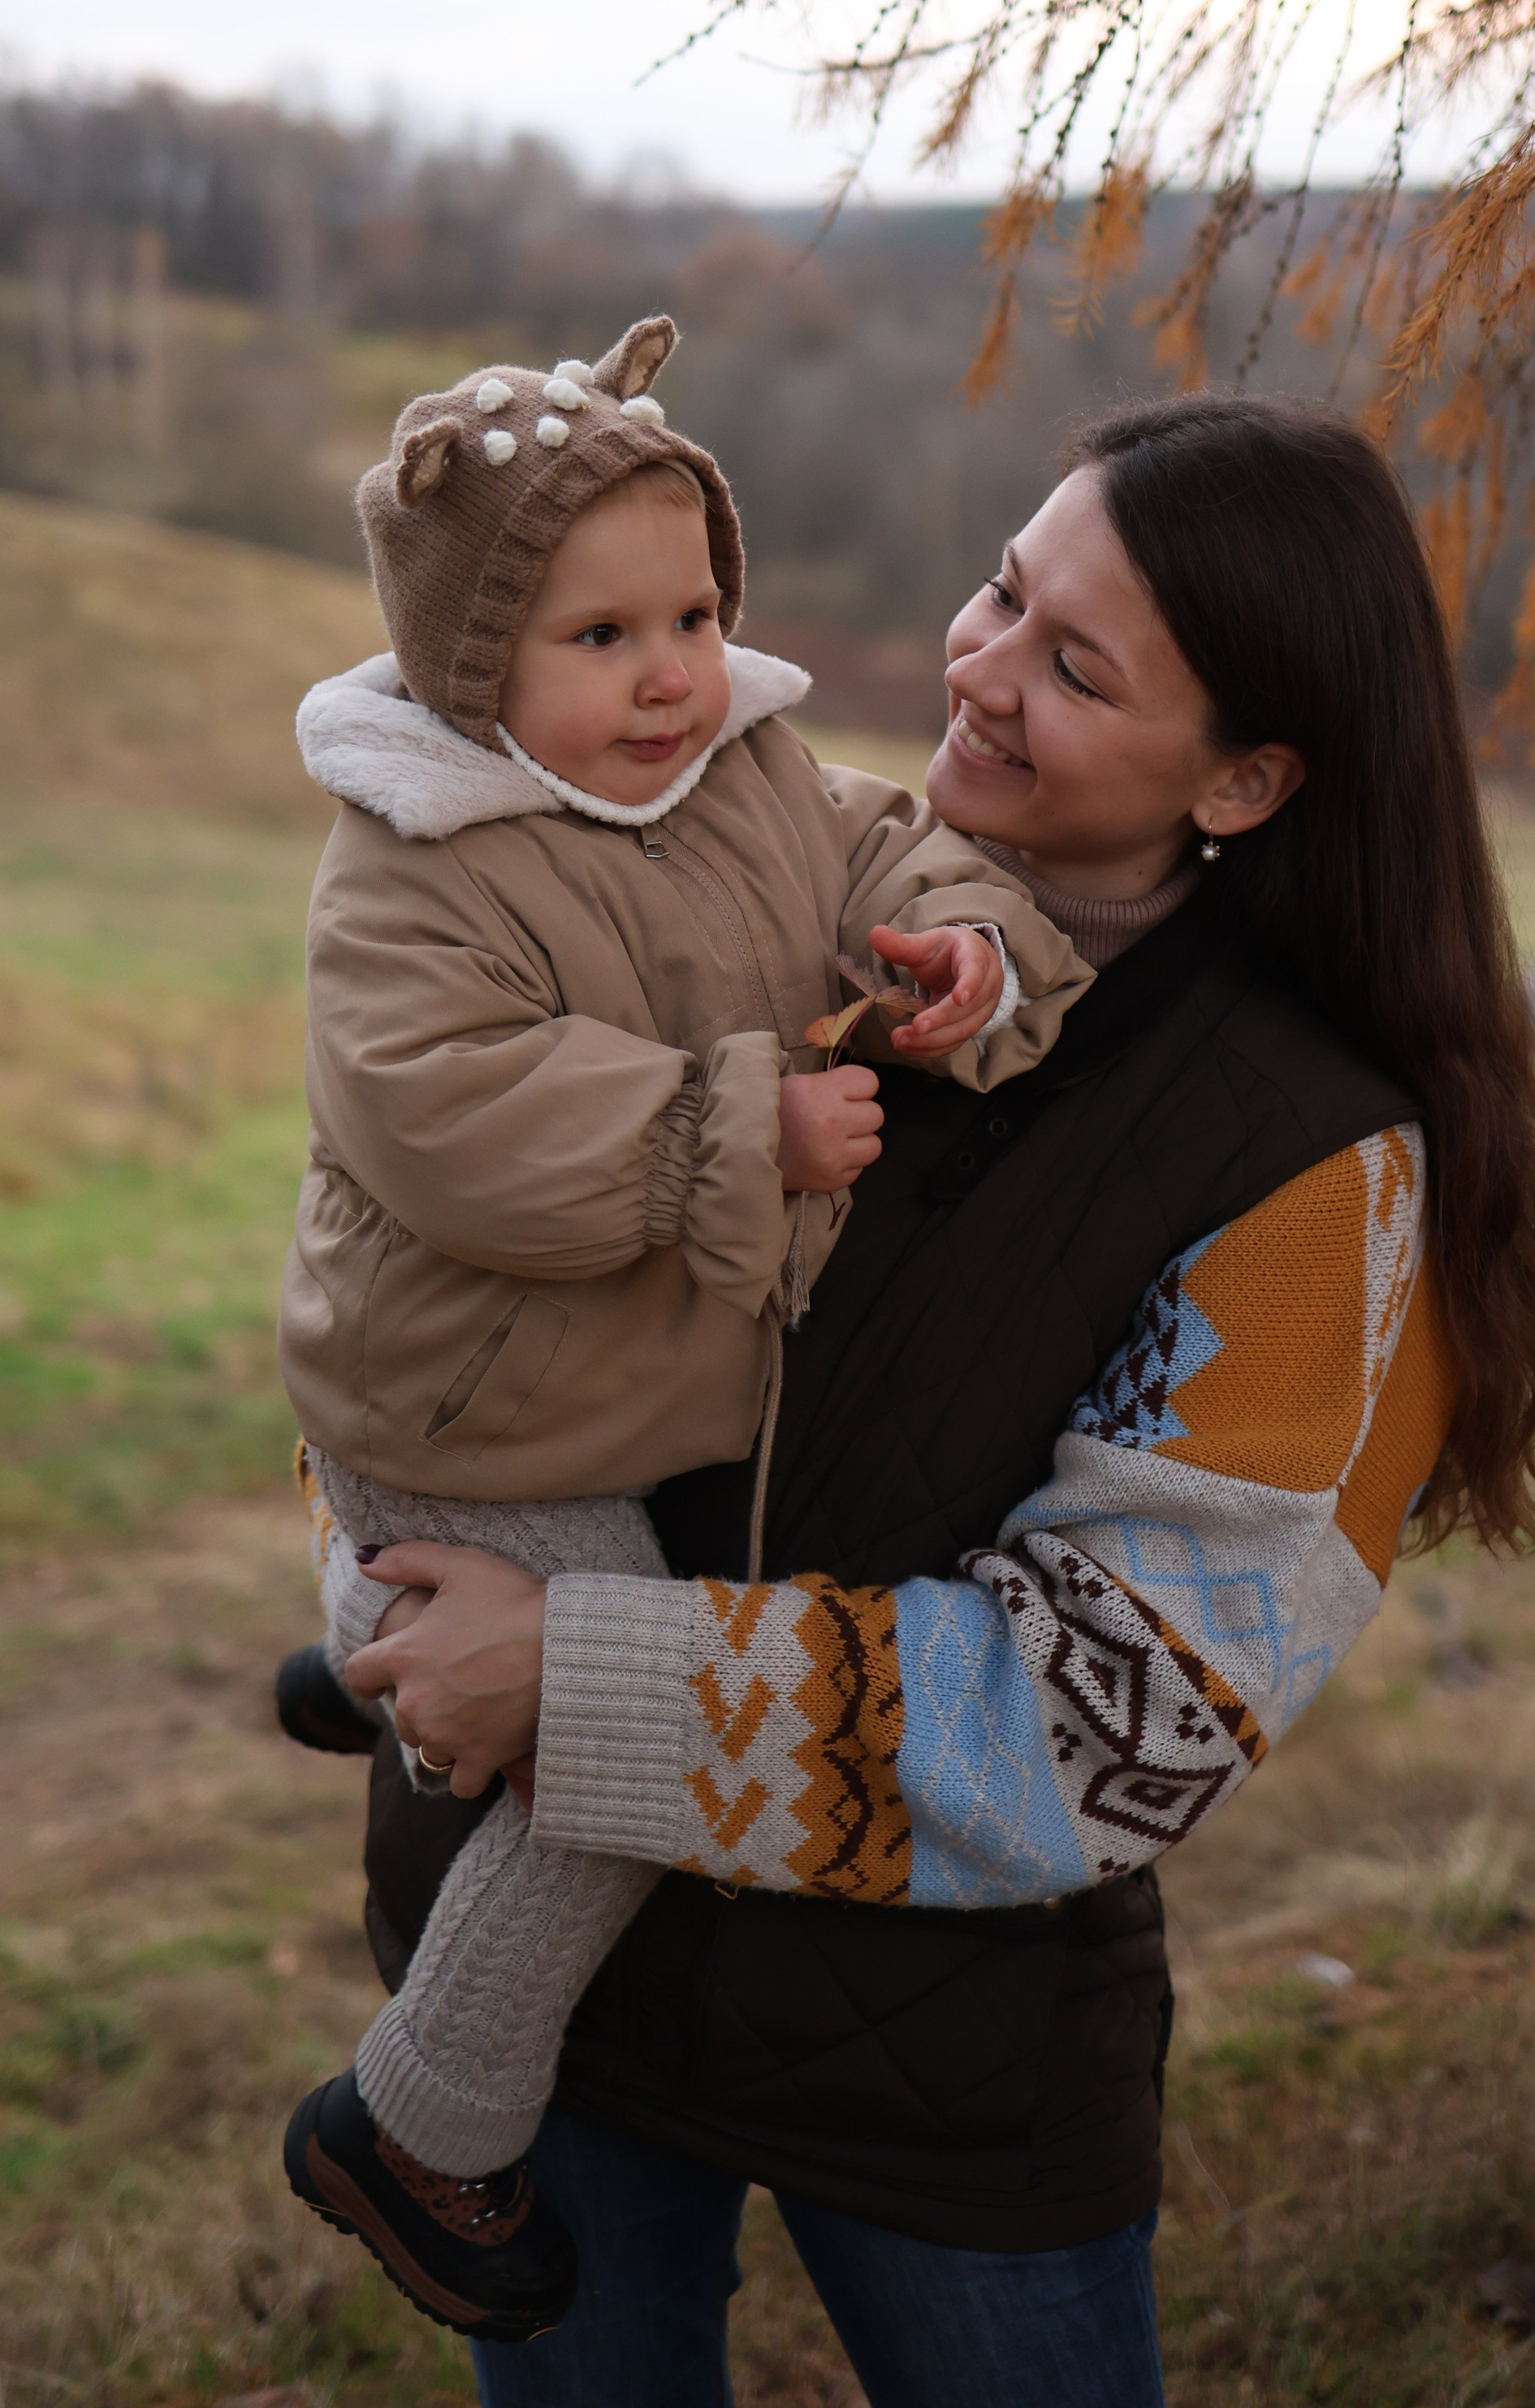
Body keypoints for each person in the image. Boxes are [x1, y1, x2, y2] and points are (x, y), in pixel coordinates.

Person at [334, 393, 1535, 2408]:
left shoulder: (1309, 1167)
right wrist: (398, 1588)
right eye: (1004, 591)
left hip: (938, 2056)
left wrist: (571, 1677)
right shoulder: (744, 874)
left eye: (1075, 666)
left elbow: (1117, 1721)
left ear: (1250, 778)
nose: (980, 673)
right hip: (533, 2003)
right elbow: (433, 1272)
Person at [275, 313, 1094, 2340]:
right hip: (482, 1409)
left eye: (697, 613)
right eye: (599, 636)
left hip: (589, 1388)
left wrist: (963, 956)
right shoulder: (410, 866)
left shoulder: (736, 773)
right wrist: (742, 1124)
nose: (670, 674)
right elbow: (453, 1114)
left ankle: (372, 1640)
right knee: (611, 1769)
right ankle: (420, 2121)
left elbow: (884, 836)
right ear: (476, 669)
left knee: (535, 1643)